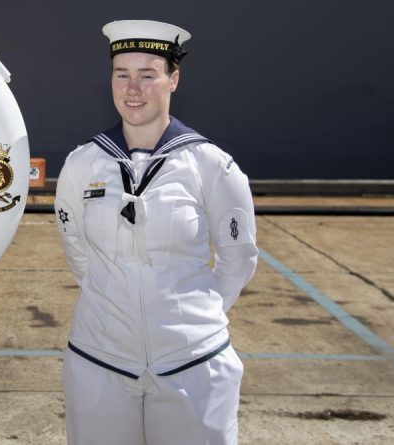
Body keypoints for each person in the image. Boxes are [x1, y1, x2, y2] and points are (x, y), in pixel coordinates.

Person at [54, 20, 259, 445]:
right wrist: (114, 306)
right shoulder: (80, 165)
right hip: (100, 361)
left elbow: (238, 258)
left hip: (194, 365)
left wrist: (188, 321)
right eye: (122, 74)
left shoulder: (210, 165)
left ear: (173, 80)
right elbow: (78, 253)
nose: (133, 89)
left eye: (148, 75)